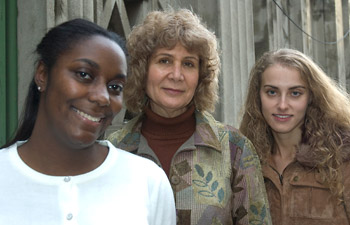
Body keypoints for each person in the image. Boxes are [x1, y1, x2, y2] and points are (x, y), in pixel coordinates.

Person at [0, 18, 176, 225]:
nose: (103, 97)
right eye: (84, 74)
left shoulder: (147, 181)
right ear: (43, 74)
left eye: (115, 87)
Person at [107, 9, 271, 225]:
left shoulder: (234, 149)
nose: (176, 75)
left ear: (201, 76)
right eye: (164, 61)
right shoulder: (114, 151)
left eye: (188, 64)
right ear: (142, 69)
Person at [239, 48, 350, 225]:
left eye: (295, 93)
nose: (282, 105)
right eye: (272, 92)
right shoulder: (243, 161)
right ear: (258, 97)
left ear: (311, 97)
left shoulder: (342, 158)